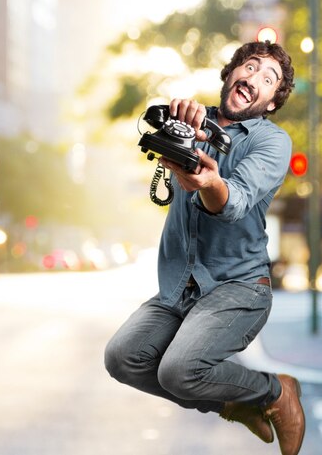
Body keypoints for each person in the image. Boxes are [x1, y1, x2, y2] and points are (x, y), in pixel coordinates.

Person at [104, 40, 305, 455]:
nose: (254, 78)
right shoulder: (193, 121)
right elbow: (154, 138)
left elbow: (235, 202)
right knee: (122, 357)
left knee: (178, 371)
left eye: (269, 79)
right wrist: (171, 120)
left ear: (270, 102)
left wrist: (209, 182)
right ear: (230, 74)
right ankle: (236, 403)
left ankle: (274, 392)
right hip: (180, 288)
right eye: (249, 67)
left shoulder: (272, 142)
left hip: (240, 287)